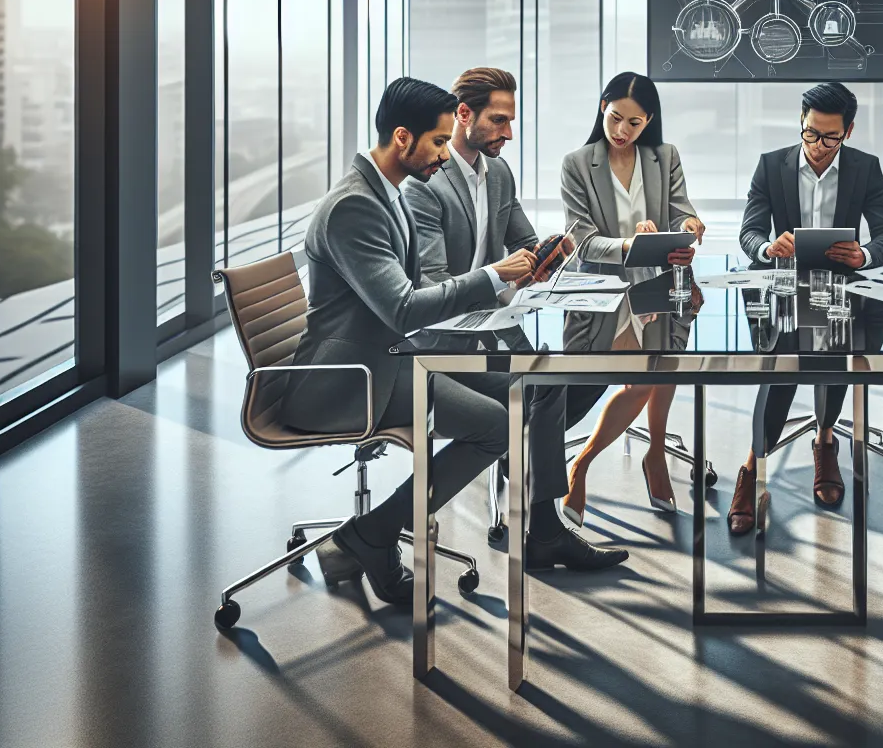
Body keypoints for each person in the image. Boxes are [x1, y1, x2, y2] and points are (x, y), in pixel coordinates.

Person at [290, 78, 626, 609]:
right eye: (438, 142)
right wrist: (494, 275)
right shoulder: (355, 207)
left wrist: (522, 269)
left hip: (392, 358)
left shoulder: (385, 192)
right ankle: (373, 533)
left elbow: (413, 291)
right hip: (350, 378)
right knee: (495, 425)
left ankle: (533, 529)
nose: (444, 154)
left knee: (534, 384)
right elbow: (404, 307)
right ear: (403, 137)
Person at [403, 67, 608, 548]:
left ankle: (527, 466)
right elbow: (433, 285)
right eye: (498, 120)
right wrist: (501, 274)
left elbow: (525, 244)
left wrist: (550, 254)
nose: (509, 133)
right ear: (463, 114)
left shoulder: (498, 173)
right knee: (544, 386)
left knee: (590, 372)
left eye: (511, 121)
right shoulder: (424, 184)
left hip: (497, 328)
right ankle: (545, 525)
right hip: (445, 340)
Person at [729, 82, 883, 534]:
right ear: (801, 123)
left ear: (848, 131)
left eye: (830, 137)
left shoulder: (865, 168)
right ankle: (752, 465)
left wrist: (864, 254)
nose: (818, 145)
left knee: (836, 360)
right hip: (784, 287)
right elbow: (749, 232)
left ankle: (826, 441)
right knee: (779, 371)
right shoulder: (772, 165)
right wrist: (768, 247)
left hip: (841, 288)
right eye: (810, 133)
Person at [558, 71, 705, 525]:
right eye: (615, 118)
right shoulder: (577, 164)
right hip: (606, 290)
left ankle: (654, 453)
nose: (622, 130)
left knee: (662, 369)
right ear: (602, 108)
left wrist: (687, 228)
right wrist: (631, 245)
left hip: (661, 283)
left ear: (649, 121)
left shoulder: (665, 157)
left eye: (634, 123)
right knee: (640, 381)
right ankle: (583, 464)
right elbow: (583, 242)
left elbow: (681, 212)